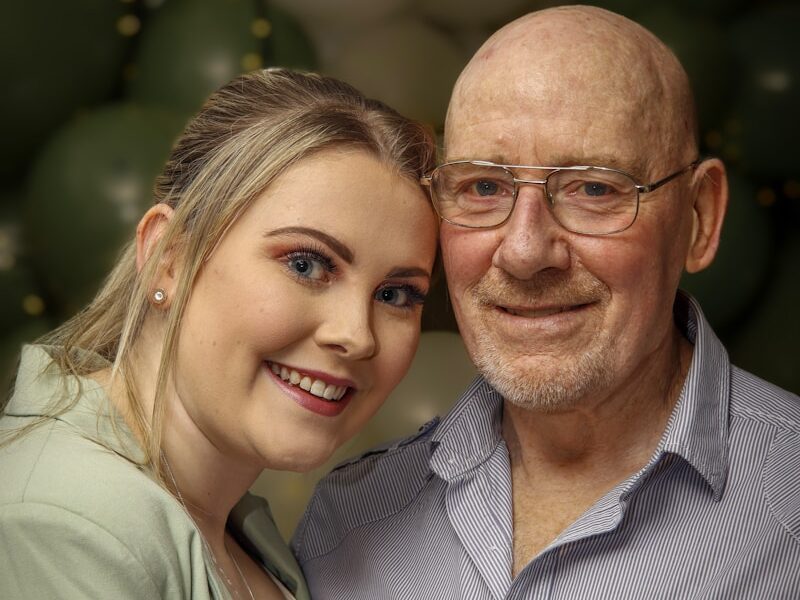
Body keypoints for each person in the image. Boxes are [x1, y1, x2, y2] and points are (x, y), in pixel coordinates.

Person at [292, 5, 800, 598]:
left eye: (593, 188)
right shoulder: (347, 522)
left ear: (699, 218)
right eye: (484, 187)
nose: (526, 251)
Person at [0, 68, 438, 599]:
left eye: (396, 295)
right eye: (305, 264)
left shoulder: (229, 522)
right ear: (170, 259)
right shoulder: (69, 525)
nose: (357, 336)